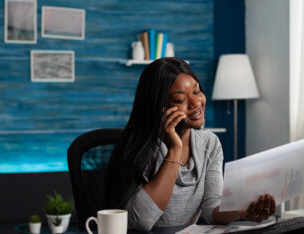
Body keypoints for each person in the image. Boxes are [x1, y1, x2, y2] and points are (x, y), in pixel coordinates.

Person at [105, 57, 275, 232]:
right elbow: (141, 221)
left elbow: (211, 209)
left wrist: (244, 212)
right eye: (180, 100)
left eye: (197, 91)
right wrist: (175, 150)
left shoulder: (210, 144)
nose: (196, 103)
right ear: (159, 107)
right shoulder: (142, 149)